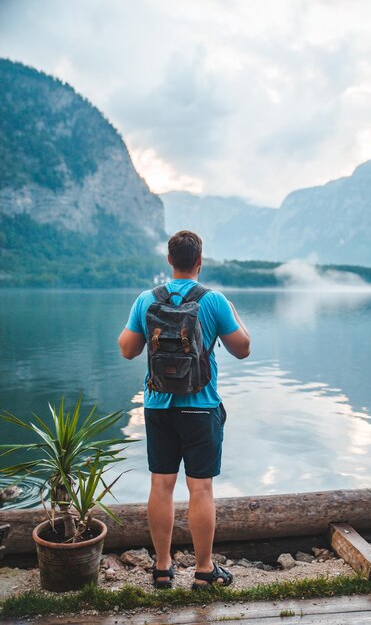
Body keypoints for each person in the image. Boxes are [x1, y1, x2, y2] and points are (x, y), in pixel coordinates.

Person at [118, 230, 250, 589]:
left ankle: (162, 568)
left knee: (161, 485)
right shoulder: (214, 300)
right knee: (201, 489)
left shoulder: (147, 300)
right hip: (200, 407)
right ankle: (204, 571)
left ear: (169, 260)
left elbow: (127, 349)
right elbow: (243, 348)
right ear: (199, 261)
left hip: (158, 405)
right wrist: (231, 310)